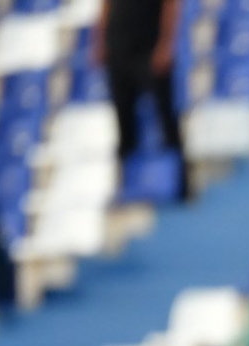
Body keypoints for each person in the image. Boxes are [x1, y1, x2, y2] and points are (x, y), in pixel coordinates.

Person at [96, 0, 188, 202]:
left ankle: (182, 185)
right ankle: (127, 186)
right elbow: (106, 5)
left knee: (167, 117)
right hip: (118, 47)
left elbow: (171, 5)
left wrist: (165, 45)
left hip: (149, 48)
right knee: (123, 120)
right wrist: (100, 41)